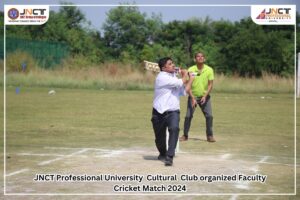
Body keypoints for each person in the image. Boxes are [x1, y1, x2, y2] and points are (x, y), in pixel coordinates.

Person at [151, 57, 194, 166]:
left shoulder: (173, 77)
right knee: (159, 138)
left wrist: (192, 79)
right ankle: (162, 152)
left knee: (174, 129)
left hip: (173, 111)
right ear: (164, 68)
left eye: (173, 63)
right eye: (170, 64)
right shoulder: (161, 77)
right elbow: (181, 81)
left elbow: (183, 91)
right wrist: (185, 74)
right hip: (159, 112)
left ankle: (170, 156)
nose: (173, 65)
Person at [180, 52, 216, 142]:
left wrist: (205, 96)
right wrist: (192, 97)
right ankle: (185, 135)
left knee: (209, 116)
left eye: (202, 56)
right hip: (193, 96)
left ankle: (210, 136)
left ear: (204, 59)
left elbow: (210, 85)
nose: (200, 58)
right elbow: (187, 84)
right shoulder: (191, 69)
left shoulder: (209, 70)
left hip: (205, 97)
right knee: (188, 116)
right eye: (198, 56)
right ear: (194, 59)